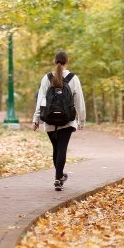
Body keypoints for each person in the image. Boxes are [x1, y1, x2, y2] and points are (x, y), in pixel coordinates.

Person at [32, 51, 86, 191]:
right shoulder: (73, 78)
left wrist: (36, 119)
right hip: (67, 121)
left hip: (49, 120)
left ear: (54, 61)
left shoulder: (47, 78)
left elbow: (41, 100)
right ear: (67, 62)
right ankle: (58, 178)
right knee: (62, 149)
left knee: (56, 150)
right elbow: (79, 100)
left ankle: (59, 176)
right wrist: (81, 120)